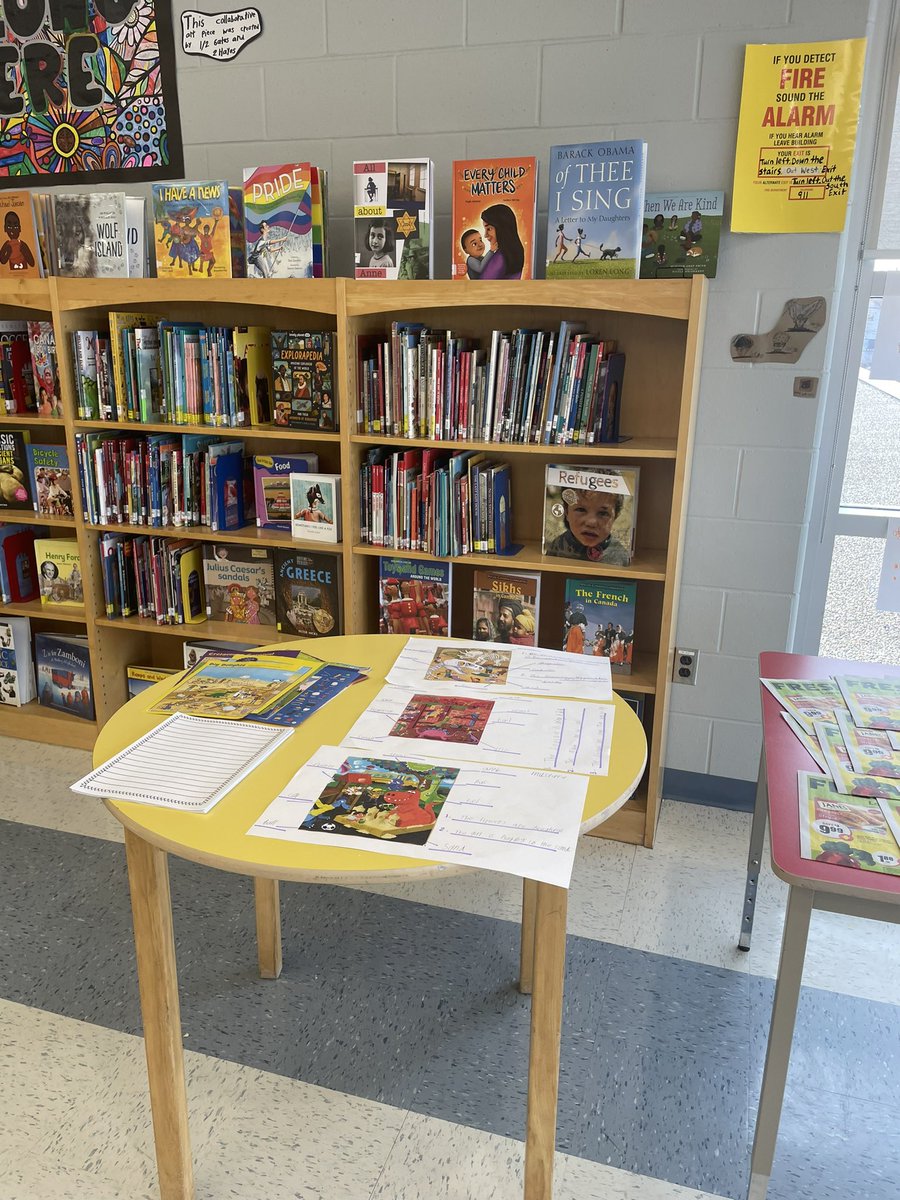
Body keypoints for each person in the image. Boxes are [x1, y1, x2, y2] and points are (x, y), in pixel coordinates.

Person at [545, 487, 630, 563]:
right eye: (581, 510)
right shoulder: (557, 547)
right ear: (566, 512)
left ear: (615, 517)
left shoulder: (620, 556)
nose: (591, 522)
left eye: (603, 513)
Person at [478, 204, 525, 280]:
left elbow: (482, 284)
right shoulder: (515, 252)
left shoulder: (500, 257)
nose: (485, 235)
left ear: (502, 228)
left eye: (489, 229)